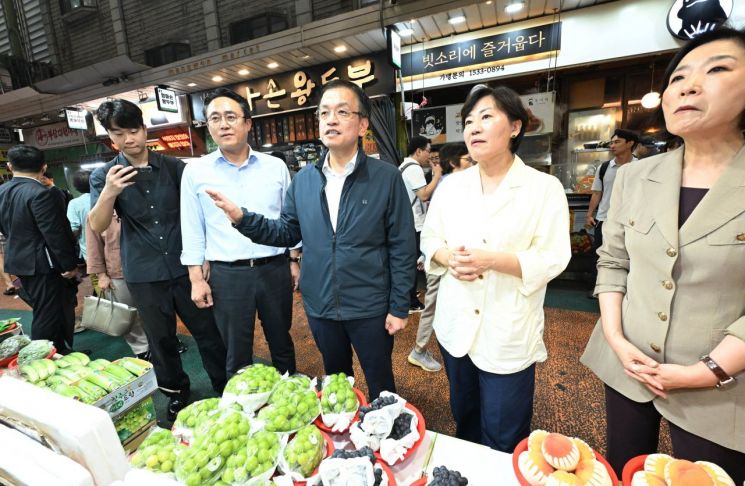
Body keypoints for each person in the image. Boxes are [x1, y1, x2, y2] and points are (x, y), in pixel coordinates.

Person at [581, 27, 745, 483]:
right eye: (679, 78)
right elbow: (614, 262)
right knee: (622, 467)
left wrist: (702, 373)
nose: (688, 86)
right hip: (629, 362)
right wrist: (617, 340)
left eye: (717, 70)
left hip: (722, 386)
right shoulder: (637, 176)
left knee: (705, 477)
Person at [207, 79, 416, 400]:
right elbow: (286, 233)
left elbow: (402, 245)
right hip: (321, 306)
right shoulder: (304, 180)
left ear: (362, 124)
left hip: (370, 305)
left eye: (342, 112)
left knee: (380, 382)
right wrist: (242, 219)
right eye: (324, 113)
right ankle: (345, 439)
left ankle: (387, 435)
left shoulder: (386, 177)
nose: (330, 120)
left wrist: (399, 306)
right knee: (336, 384)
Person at [421, 84, 570, 452]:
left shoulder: (543, 188)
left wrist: (493, 261)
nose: (473, 127)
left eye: (486, 117)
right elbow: (429, 238)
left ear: (515, 127)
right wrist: (446, 257)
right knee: (465, 414)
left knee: (504, 429)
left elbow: (554, 256)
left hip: (508, 330)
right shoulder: (452, 187)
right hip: (455, 326)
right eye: (468, 121)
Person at [88, 99, 227, 420]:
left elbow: (200, 216)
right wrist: (109, 192)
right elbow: (97, 225)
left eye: (133, 130)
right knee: (160, 338)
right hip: (143, 271)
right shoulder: (104, 177)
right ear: (111, 137)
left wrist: (203, 257)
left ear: (144, 129)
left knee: (208, 330)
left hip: (185, 266)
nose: (128, 140)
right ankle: (176, 391)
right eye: (118, 133)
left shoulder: (177, 168)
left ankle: (224, 384)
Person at [181, 88, 297, 378]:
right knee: (237, 350)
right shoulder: (196, 171)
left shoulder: (275, 166)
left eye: (231, 117)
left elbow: (289, 219)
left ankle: (292, 400)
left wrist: (294, 258)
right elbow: (192, 226)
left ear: (248, 123)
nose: (223, 124)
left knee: (282, 342)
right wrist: (196, 279)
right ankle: (243, 413)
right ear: (208, 126)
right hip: (227, 275)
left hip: (274, 269)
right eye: (215, 118)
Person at [0, 146, 79, 353]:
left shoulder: (2, 191)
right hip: (44, 264)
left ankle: (59, 351)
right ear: (43, 167)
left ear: (10, 166)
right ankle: (40, 358)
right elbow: (56, 234)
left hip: (18, 260)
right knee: (48, 313)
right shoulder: (42, 193)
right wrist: (69, 265)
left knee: (46, 309)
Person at [407, 142, 470, 373]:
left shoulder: (459, 185)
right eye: (468, 160)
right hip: (441, 260)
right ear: (454, 163)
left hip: (442, 257)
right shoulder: (446, 185)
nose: (474, 164)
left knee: (437, 303)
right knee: (432, 304)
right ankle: (419, 350)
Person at [85, 212, 150, 359]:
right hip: (117, 272)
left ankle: (164, 342)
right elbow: (93, 247)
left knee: (156, 309)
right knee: (128, 315)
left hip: (148, 269)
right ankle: (142, 350)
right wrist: (101, 275)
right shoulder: (97, 213)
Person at [585, 128, 638, 297]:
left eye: (617, 142)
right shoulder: (605, 167)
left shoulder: (641, 167)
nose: (612, 145)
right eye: (612, 142)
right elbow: (597, 193)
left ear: (630, 143)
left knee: (631, 256)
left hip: (632, 220)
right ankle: (599, 289)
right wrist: (589, 214)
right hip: (605, 219)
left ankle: (628, 290)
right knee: (601, 254)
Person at [399, 135, 441, 314]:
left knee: (409, 261)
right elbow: (423, 195)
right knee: (412, 262)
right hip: (414, 223)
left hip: (408, 221)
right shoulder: (414, 168)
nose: (429, 156)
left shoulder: (404, 166)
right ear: (418, 151)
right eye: (428, 152)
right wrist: (437, 176)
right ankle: (410, 302)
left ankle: (408, 294)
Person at [67, 170, 92, 267]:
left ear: (76, 187)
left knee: (97, 280)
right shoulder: (108, 197)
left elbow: (74, 230)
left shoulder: (74, 204)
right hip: (114, 247)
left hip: (89, 250)